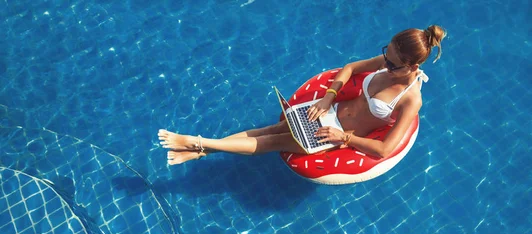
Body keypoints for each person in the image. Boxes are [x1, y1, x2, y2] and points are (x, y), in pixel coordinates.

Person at [158, 25, 446, 165]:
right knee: (271, 128)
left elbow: (384, 149)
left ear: (412, 66)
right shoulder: (388, 63)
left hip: (335, 135)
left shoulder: (411, 100)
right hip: (325, 111)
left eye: (392, 63)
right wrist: (328, 97)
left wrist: (342, 138)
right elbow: (350, 67)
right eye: (386, 53)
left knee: (272, 141)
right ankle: (202, 151)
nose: (384, 62)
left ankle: (196, 142)